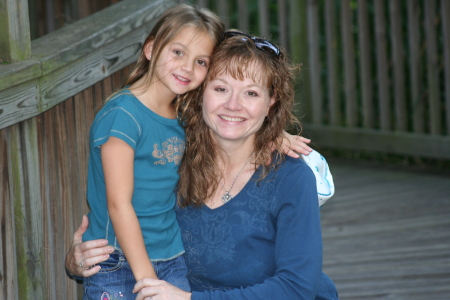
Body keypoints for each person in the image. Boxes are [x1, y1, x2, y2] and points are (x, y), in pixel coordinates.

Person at [67, 29, 338, 299]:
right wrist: (84, 262)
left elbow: (296, 288)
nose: (234, 105)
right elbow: (126, 215)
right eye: (221, 89)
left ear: (271, 101)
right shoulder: (171, 157)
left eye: (251, 94)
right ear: (201, 92)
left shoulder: (290, 176)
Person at [79, 4, 224, 299]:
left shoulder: (183, 115)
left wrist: (277, 137)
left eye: (201, 61)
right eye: (178, 52)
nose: (187, 67)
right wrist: (147, 280)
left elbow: (233, 130)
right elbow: (119, 205)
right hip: (115, 261)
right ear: (151, 49)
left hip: (170, 256)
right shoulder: (124, 115)